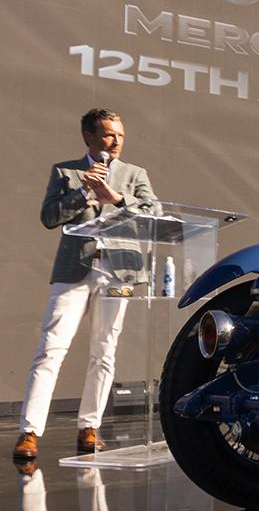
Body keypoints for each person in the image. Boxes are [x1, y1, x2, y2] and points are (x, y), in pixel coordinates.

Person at [13, 108, 157, 460]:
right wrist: (82, 192)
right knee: (51, 348)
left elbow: (153, 212)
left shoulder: (134, 174)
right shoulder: (66, 171)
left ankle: (89, 427)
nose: (116, 142)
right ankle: (29, 432)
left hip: (118, 271)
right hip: (74, 268)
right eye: (109, 135)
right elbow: (49, 217)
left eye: (120, 135)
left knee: (104, 351)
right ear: (89, 138)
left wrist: (117, 198)